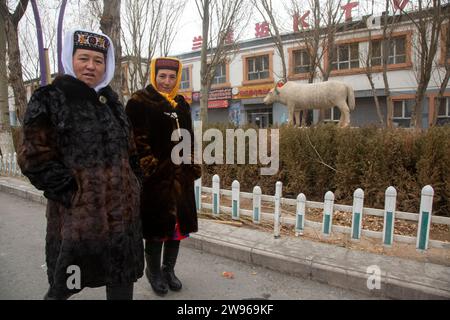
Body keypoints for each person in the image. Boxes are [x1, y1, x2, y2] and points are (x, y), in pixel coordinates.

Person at [18, 29, 144, 300]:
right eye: (83, 58)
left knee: (121, 280)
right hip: (79, 222)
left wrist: (135, 184)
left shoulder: (112, 103)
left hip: (123, 221)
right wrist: (72, 194)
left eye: (98, 61)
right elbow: (33, 157)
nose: (91, 66)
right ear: (70, 59)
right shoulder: (51, 98)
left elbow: (130, 151)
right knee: (66, 284)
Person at [125, 57, 201, 296]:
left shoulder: (181, 103)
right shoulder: (139, 102)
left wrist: (191, 165)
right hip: (156, 180)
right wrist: (151, 169)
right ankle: (154, 273)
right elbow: (136, 142)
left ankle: (169, 270)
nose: (167, 82)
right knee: (156, 229)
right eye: (162, 76)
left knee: (177, 228)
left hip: (181, 179)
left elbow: (189, 137)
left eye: (172, 77)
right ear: (154, 76)